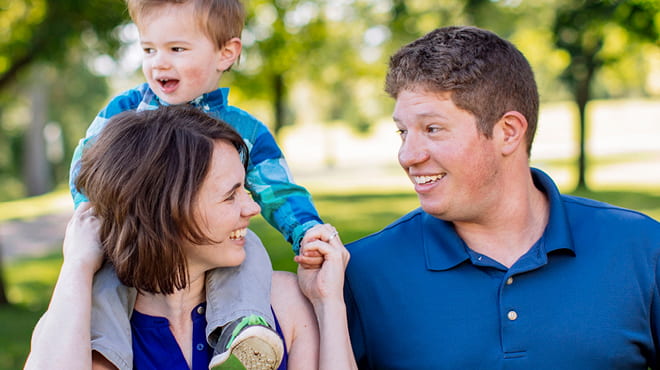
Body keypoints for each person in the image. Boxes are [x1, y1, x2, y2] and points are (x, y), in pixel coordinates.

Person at [344, 25, 660, 369]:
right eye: (403, 132)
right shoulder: (362, 272)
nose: (407, 155)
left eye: (432, 128)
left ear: (508, 132)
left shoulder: (641, 247)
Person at [67, 0, 329, 368]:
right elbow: (87, 162)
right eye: (149, 49)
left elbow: (276, 187)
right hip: (132, 238)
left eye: (177, 49)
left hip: (215, 245)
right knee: (106, 285)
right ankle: (106, 354)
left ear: (226, 53)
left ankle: (242, 327)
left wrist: (305, 230)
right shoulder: (124, 112)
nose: (159, 62)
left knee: (248, 250)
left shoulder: (242, 128)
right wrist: (90, 210)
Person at [26, 106, 355, 370]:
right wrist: (78, 265)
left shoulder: (282, 303)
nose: (253, 207)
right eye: (230, 196)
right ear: (165, 213)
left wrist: (328, 304)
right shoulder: (76, 326)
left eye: (245, 188)